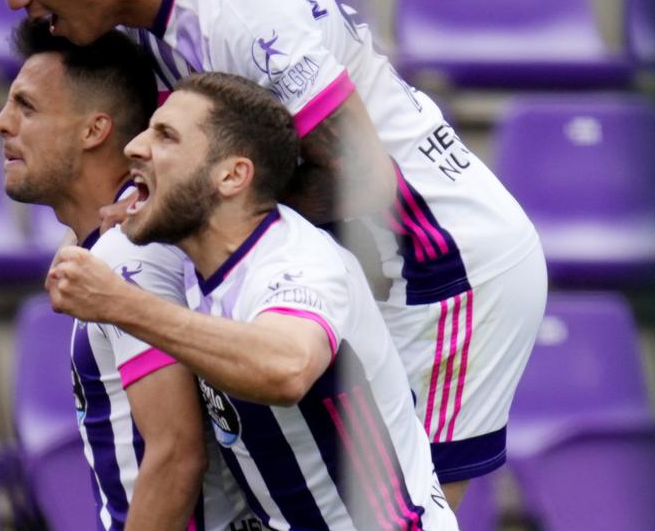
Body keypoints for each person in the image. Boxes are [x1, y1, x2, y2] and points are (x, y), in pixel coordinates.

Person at [0, 0, 547, 505]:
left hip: (443, 266)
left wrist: (167, 210)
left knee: (396, 515)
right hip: (379, 262)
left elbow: (360, 179)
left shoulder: (236, 11)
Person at [48, 72, 460, 531]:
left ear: (232, 176)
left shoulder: (298, 263)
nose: (135, 147)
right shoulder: (198, 261)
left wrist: (120, 303)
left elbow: (286, 368)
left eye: (166, 136)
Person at [0, 18, 253, 530]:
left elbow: (177, 454)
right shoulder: (111, 245)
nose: (3, 122)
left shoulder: (127, 260)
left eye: (26, 106)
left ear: (94, 130)